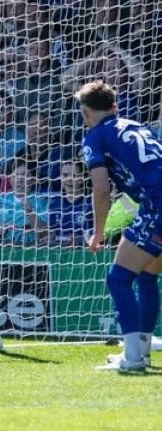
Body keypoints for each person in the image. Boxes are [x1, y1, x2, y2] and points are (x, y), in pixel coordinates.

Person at [77, 81, 161, 372]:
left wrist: (99, 233)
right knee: (148, 273)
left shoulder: (95, 138)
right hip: (155, 203)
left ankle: (133, 359)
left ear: (87, 114)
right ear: (115, 107)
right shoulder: (138, 126)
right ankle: (143, 351)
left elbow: (101, 190)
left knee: (118, 279)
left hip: (157, 205)